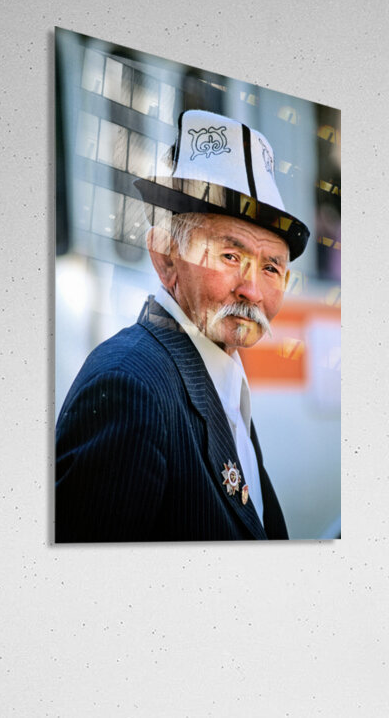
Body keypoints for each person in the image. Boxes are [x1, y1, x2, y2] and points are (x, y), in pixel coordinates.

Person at [55, 109, 311, 542]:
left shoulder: (217, 377)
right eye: (230, 257)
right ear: (165, 257)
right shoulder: (130, 388)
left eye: (271, 268)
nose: (252, 291)